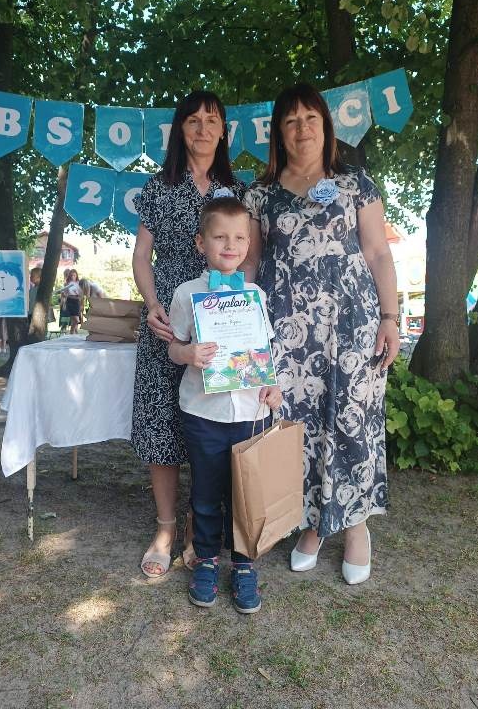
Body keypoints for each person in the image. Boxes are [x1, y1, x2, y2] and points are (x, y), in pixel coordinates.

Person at [243, 83, 400, 584]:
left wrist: (390, 317)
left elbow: (378, 252)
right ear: (279, 132)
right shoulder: (260, 194)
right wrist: (239, 327)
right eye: (291, 120)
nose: (302, 128)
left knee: (352, 420)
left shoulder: (355, 183)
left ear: (325, 126)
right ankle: (312, 524)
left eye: (310, 118)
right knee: (298, 426)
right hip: (287, 333)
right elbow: (250, 262)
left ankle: (355, 526)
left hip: (352, 327)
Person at [132, 90, 246, 577]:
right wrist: (153, 304)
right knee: (162, 422)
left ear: (223, 131)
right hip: (167, 321)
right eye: (193, 120)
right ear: (180, 129)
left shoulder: (235, 189)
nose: (203, 128)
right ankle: (164, 528)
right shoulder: (159, 186)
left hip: (222, 323)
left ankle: (204, 530)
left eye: (212, 120)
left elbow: (247, 255)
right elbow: (142, 255)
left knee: (212, 425)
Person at [168, 197, 282, 612]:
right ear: (202, 243)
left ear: (248, 244)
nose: (230, 245)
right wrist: (188, 354)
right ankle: (205, 560)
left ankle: (244, 565)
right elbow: (173, 348)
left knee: (245, 493)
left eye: (239, 238)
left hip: (251, 413)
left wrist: (273, 386)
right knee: (205, 489)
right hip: (203, 413)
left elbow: (264, 351)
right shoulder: (186, 294)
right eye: (220, 237)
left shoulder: (255, 294)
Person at [61, 269, 83, 335]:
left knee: (75, 320)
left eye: (74, 275)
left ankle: (73, 333)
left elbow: (81, 295)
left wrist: (81, 303)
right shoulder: (67, 284)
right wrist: (64, 302)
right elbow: (64, 294)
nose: (73, 277)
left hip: (76, 302)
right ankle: (72, 333)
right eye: (71, 275)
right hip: (70, 302)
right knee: (75, 320)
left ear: (76, 276)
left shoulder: (78, 283)